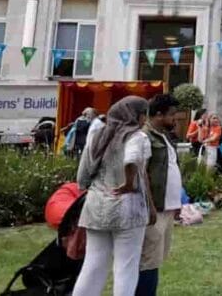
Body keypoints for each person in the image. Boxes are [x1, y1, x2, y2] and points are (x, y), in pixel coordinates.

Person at [73, 96, 153, 296]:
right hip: (127, 209)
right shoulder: (137, 136)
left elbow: (82, 177)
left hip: (96, 207)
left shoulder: (97, 135)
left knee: (93, 265)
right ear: (135, 115)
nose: (145, 119)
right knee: (126, 267)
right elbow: (132, 159)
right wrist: (129, 182)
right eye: (144, 114)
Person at [135, 94, 183, 296]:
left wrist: (177, 202)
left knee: (156, 259)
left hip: (167, 208)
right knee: (148, 261)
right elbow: (141, 174)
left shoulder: (163, 136)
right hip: (154, 210)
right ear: (158, 115)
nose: (175, 119)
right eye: (172, 115)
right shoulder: (144, 137)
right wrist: (150, 207)